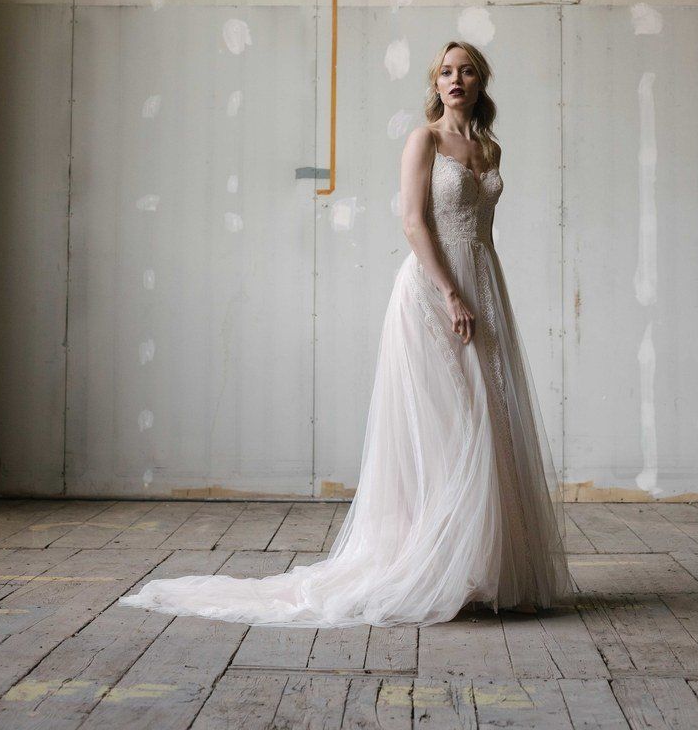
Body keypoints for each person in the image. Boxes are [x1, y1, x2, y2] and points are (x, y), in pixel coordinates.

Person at [119, 40, 574, 626]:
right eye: (445, 72)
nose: (455, 79)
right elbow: (412, 222)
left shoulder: (489, 148)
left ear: (480, 82)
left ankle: (488, 571)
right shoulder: (424, 140)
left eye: (465, 71)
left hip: (483, 283)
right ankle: (440, 568)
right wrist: (450, 292)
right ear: (435, 83)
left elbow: (480, 230)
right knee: (447, 427)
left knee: (489, 420)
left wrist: (474, 289)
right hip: (434, 292)